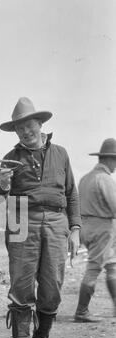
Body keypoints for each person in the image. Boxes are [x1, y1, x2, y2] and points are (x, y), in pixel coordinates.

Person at [0, 97, 81, 338]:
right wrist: (3, 183)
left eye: (29, 126)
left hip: (57, 221)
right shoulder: (11, 158)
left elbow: (72, 193)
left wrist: (75, 229)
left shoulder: (62, 153)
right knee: (21, 286)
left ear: (40, 124)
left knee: (53, 287)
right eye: (19, 129)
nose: (25, 132)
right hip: (21, 220)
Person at [74, 138, 116, 322]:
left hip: (85, 227)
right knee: (94, 268)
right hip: (102, 228)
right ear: (109, 159)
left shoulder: (85, 178)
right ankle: (81, 311)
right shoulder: (105, 179)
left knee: (112, 265)